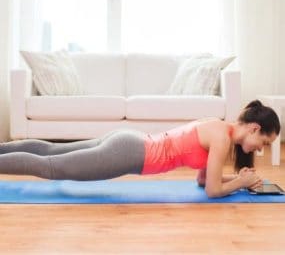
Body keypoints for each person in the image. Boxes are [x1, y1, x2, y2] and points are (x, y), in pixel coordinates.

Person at [0, 100, 280, 198]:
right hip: (128, 154)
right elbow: (212, 192)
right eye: (264, 143)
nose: (260, 150)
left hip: (129, 142)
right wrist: (240, 181)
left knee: (50, 152)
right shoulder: (221, 137)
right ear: (254, 128)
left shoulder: (219, 128)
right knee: (52, 167)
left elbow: (204, 180)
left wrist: (240, 182)